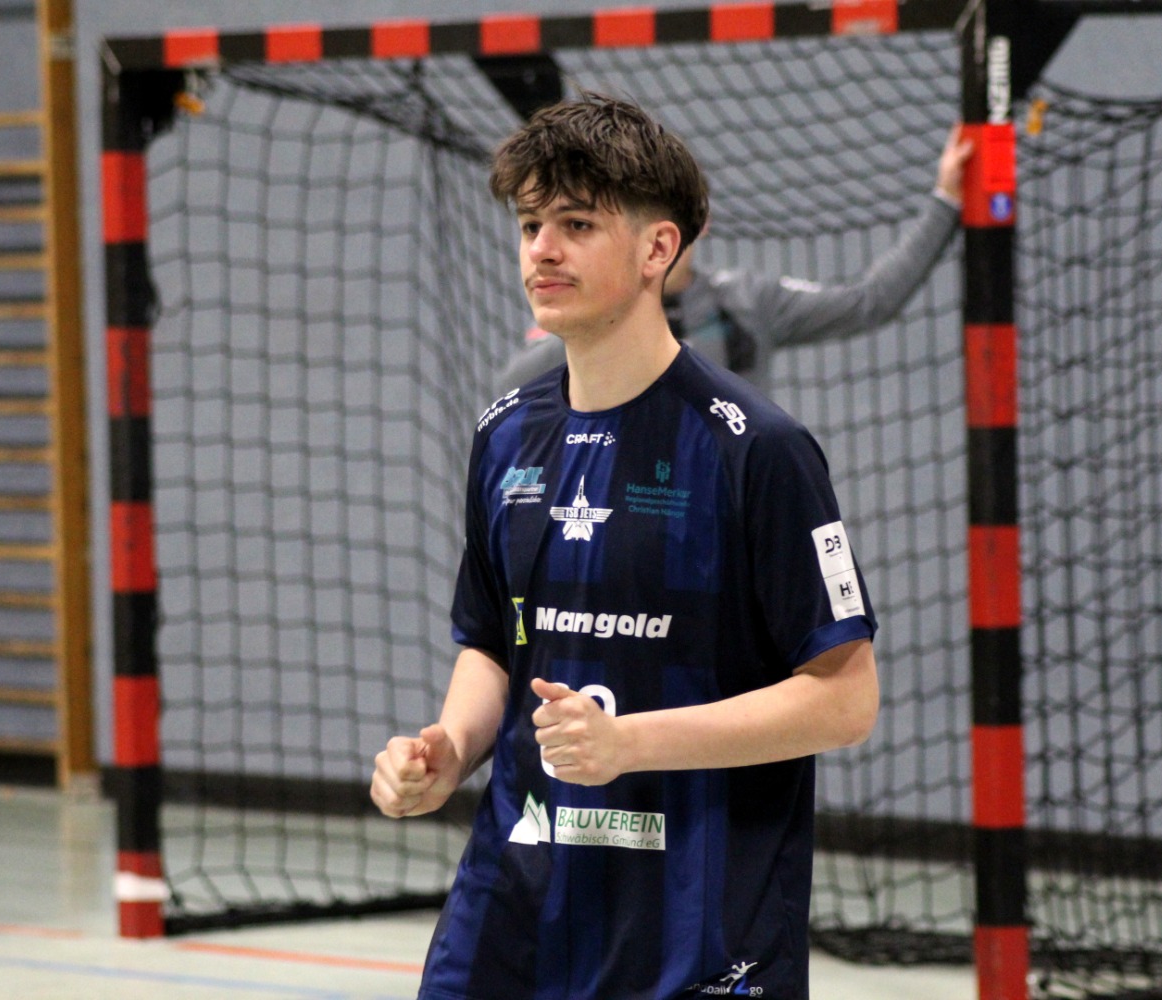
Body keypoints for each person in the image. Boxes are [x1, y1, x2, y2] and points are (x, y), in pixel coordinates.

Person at [371, 94, 880, 1000]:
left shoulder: (758, 449)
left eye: (576, 224)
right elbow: (492, 639)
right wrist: (452, 745)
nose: (542, 250)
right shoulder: (505, 436)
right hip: (516, 908)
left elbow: (845, 700)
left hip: (697, 933)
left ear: (658, 250)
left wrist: (628, 743)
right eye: (530, 225)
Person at [496, 125, 974, 395]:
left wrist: (946, 200)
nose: (543, 248)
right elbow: (513, 388)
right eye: (531, 227)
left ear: (697, 224)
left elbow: (870, 301)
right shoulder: (583, 313)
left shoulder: (748, 302)